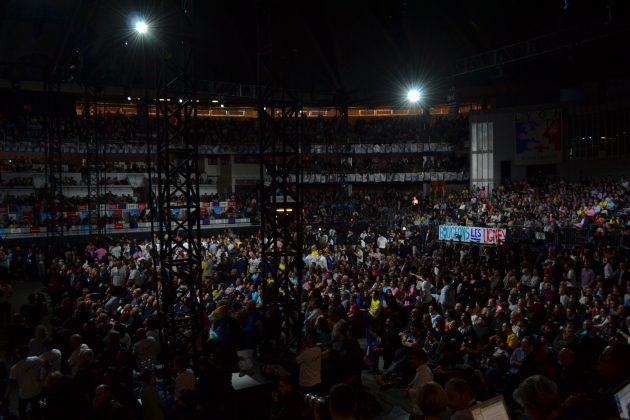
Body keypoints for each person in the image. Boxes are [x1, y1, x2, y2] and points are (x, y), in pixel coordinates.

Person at [8, 345, 43, 420]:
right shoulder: (36, 359)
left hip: (24, 394)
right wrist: (42, 378)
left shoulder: (14, 368)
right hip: (37, 390)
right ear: (29, 352)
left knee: (21, 411)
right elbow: (48, 365)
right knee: (36, 408)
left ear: (18, 355)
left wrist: (7, 395)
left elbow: (12, 384)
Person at [295, 330, 322, 394]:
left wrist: (301, 347)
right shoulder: (318, 349)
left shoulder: (307, 353)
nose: (305, 339)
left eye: (307, 337)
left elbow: (296, 360)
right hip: (316, 380)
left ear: (310, 340)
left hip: (307, 383)